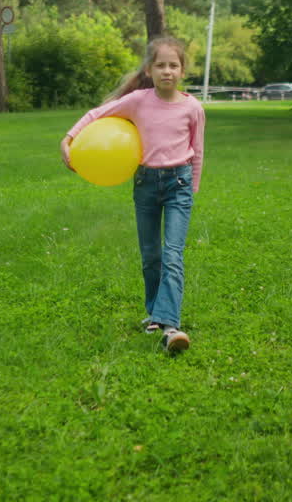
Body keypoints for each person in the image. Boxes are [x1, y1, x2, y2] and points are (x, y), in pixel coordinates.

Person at [61, 36, 206, 354]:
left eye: (173, 65)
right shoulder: (138, 100)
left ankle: (171, 326)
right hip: (146, 184)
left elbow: (197, 151)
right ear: (150, 69)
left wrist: (192, 190)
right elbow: (96, 114)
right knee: (151, 254)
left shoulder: (193, 107)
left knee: (172, 254)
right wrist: (68, 139)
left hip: (178, 186)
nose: (167, 71)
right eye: (161, 65)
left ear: (182, 70)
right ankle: (155, 313)